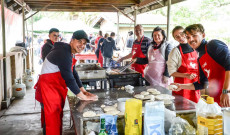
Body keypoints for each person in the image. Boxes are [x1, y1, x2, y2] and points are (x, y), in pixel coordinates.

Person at [34, 30, 98, 135]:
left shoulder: (67, 51)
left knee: (55, 119)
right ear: (72, 40)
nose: (82, 45)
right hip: (49, 90)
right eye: (79, 41)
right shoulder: (63, 52)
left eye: (84, 43)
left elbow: (73, 72)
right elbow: (69, 78)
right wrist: (83, 96)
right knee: (52, 122)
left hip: (54, 90)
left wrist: (83, 90)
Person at [172, 24, 230, 107]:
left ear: (203, 35)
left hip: (227, 96)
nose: (191, 39)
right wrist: (180, 86)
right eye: (188, 37)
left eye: (194, 35)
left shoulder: (213, 45)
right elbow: (202, 84)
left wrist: (226, 91)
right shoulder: (200, 58)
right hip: (217, 102)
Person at [167, 26, 200, 103]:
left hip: (195, 85)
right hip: (180, 87)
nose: (180, 37)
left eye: (182, 34)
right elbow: (171, 72)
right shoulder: (175, 51)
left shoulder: (196, 48)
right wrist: (186, 75)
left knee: (195, 109)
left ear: (186, 33)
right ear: (175, 39)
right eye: (177, 36)